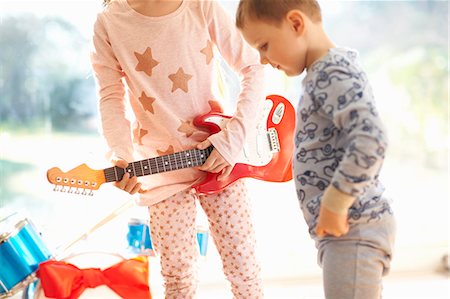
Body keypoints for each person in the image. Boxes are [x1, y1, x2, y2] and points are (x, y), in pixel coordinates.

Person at [90, 0, 265, 298]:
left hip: (221, 161)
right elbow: (110, 97)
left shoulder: (202, 6)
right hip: (159, 173)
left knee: (244, 270)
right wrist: (120, 154)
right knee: (177, 280)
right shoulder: (108, 22)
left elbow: (254, 67)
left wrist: (232, 139)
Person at [235, 1, 396, 298]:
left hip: (353, 225)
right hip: (348, 228)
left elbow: (371, 138)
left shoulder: (330, 73)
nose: (264, 59)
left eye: (265, 45)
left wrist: (336, 203)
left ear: (296, 24)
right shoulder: (327, 70)